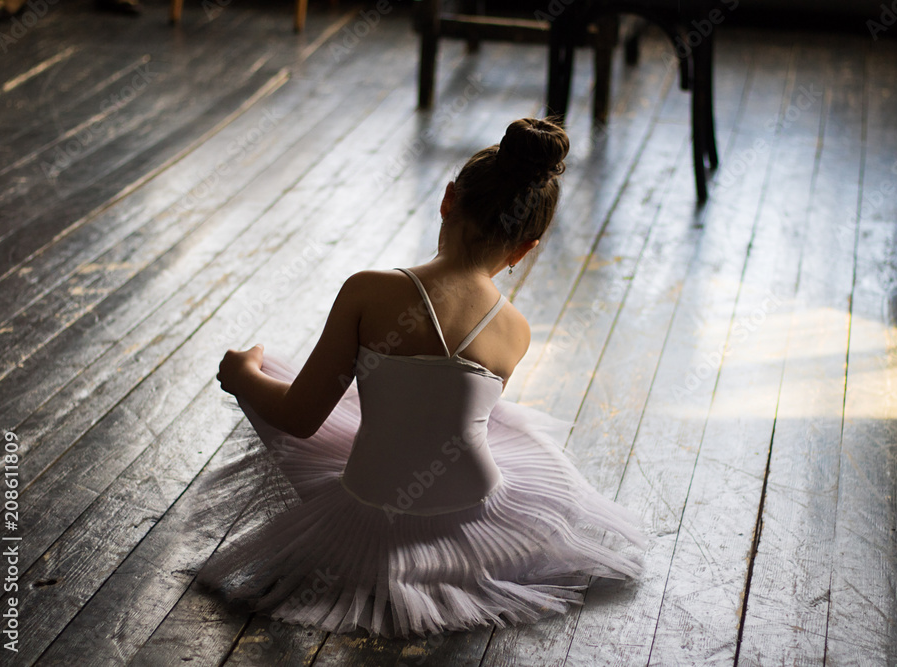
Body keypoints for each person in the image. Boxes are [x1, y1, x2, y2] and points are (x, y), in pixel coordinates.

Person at [197, 117, 644, 638]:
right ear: (527, 247)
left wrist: (242, 374)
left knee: (276, 371)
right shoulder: (516, 330)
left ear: (448, 199)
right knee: (484, 418)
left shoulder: (368, 290)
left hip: (370, 507)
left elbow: (299, 418)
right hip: (479, 517)